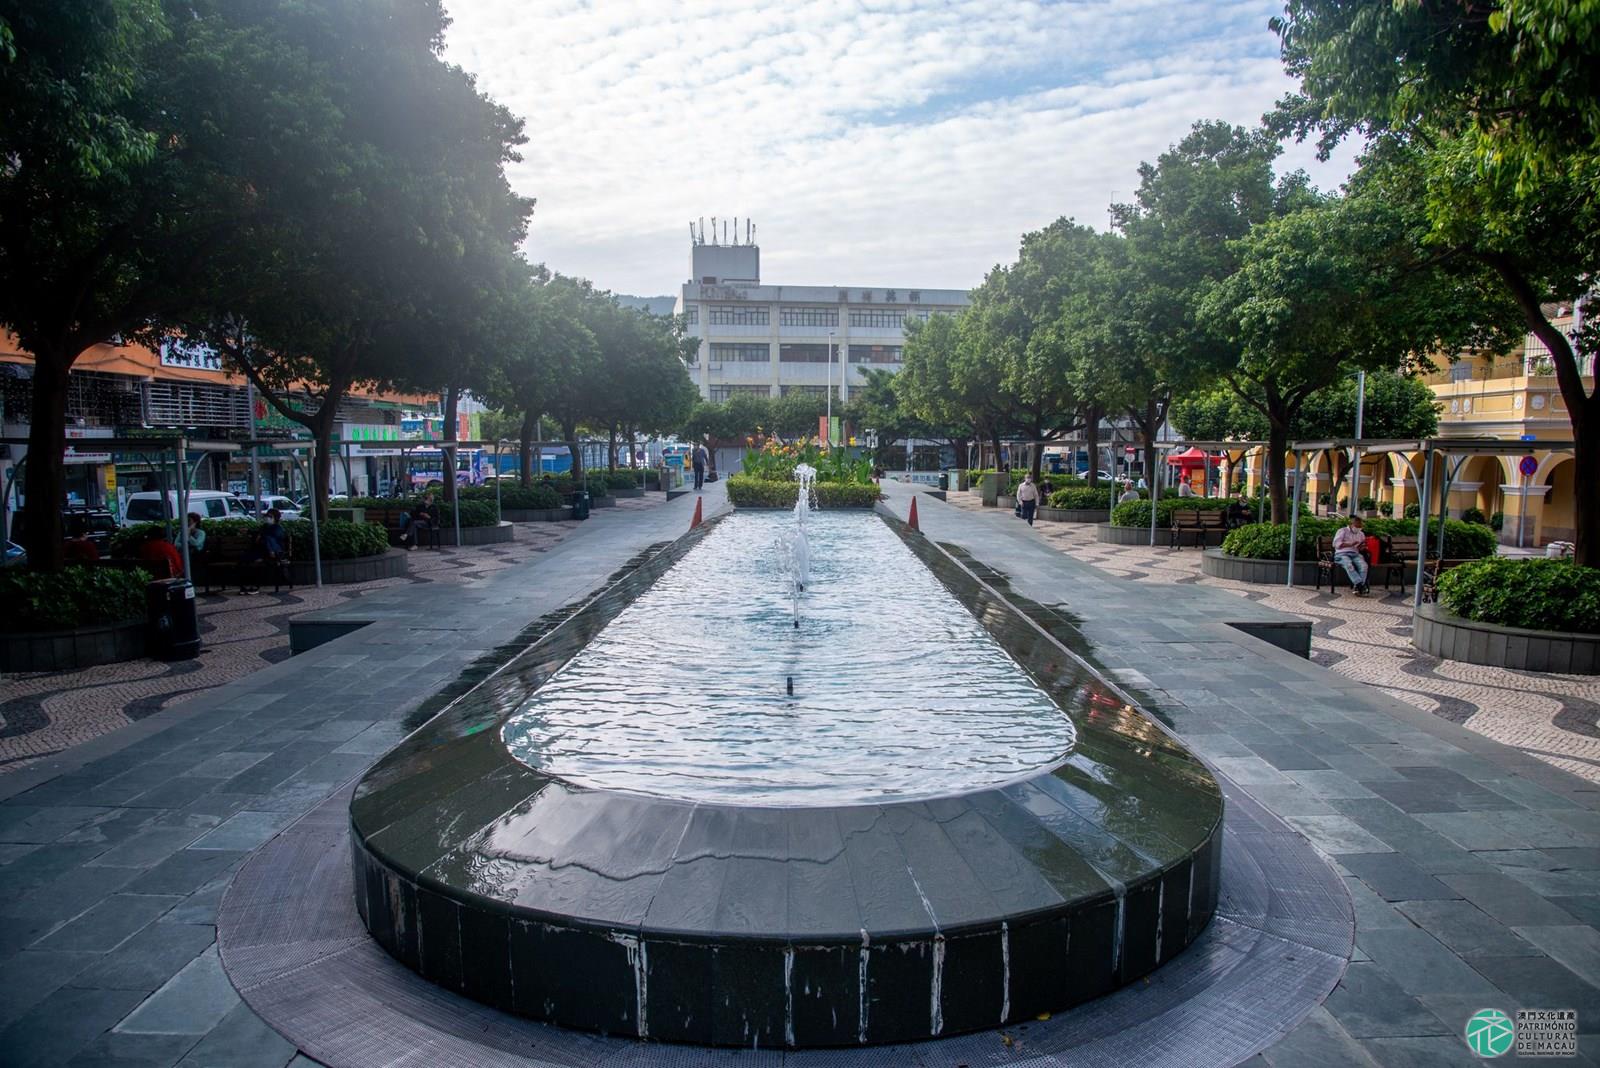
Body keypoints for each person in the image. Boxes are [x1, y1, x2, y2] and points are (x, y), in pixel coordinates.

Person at [1331, 515, 1370, 595]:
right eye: (1357, 526)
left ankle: (1358, 587)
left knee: (1364, 566)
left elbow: (1360, 548)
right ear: (1351, 524)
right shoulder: (1342, 531)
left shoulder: (1361, 534)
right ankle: (1360, 585)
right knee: (1349, 565)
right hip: (1342, 554)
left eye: (1360, 526)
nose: (1358, 528)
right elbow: (1335, 544)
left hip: (1355, 554)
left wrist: (1362, 547)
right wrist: (1349, 544)